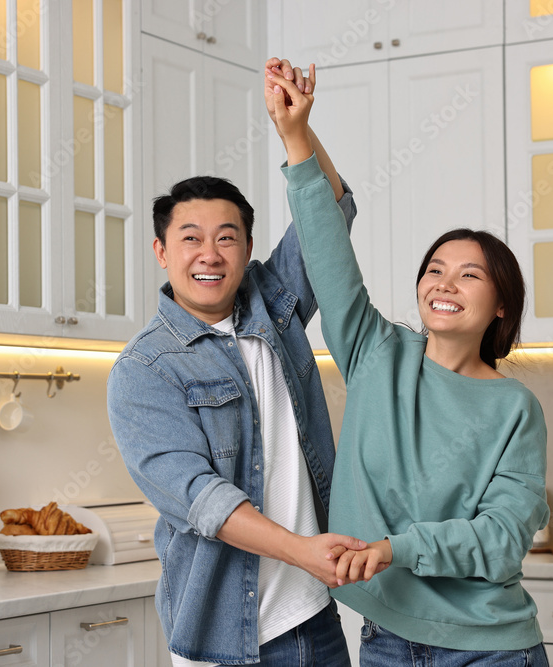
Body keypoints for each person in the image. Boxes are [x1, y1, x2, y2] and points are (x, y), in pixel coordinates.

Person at [266, 59, 550, 665]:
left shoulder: (514, 409)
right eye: (435, 270)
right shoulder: (376, 352)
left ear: (501, 305)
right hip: (386, 641)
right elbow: (326, 246)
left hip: (490, 649)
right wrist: (296, 135)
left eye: (470, 275)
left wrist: (396, 549)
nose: (445, 283)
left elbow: (501, 542)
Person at [107, 62, 366, 666]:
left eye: (227, 237)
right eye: (190, 238)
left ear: (248, 249)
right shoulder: (145, 369)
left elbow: (330, 220)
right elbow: (202, 499)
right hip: (224, 636)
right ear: (161, 251)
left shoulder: (271, 306)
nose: (209, 254)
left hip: (311, 620)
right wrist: (302, 551)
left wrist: (294, 129)